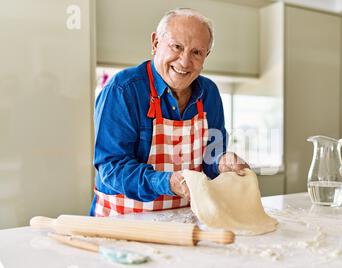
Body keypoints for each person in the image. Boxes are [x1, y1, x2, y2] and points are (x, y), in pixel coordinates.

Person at [90, 8, 249, 217]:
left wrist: (222, 162)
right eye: (177, 47)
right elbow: (111, 167)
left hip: (185, 222)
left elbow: (211, 158)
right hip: (123, 221)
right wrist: (166, 182)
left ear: (206, 55)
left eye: (196, 52)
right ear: (155, 43)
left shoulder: (209, 94)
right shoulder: (123, 90)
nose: (184, 62)